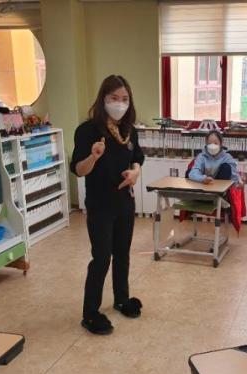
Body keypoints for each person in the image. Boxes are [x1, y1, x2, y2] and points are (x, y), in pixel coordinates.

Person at [70, 75, 144, 335]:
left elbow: (137, 158)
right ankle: (90, 312)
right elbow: (79, 170)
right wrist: (93, 156)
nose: (119, 104)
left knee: (122, 254)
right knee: (102, 258)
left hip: (125, 203)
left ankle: (122, 299)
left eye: (124, 99)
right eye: (114, 98)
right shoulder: (87, 131)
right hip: (100, 205)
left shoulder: (129, 130)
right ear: (103, 99)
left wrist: (135, 173)